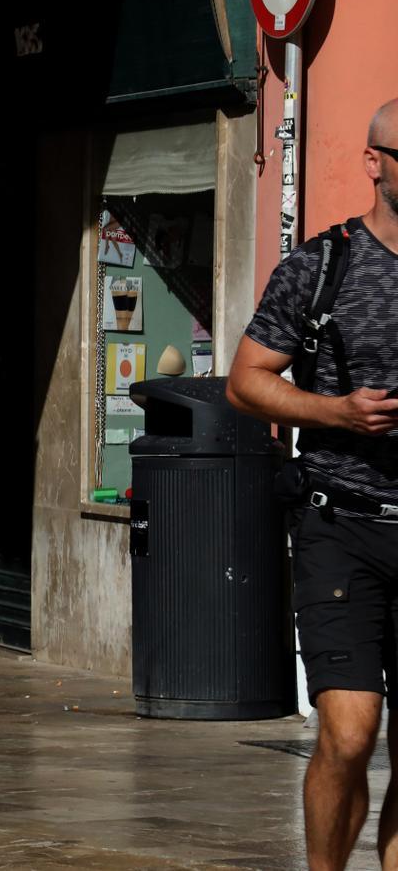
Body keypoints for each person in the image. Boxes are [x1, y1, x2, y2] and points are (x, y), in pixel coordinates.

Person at [227, 98, 398, 871]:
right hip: (342, 523)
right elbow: (246, 382)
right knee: (351, 732)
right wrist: (337, 411)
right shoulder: (322, 265)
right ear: (375, 163)